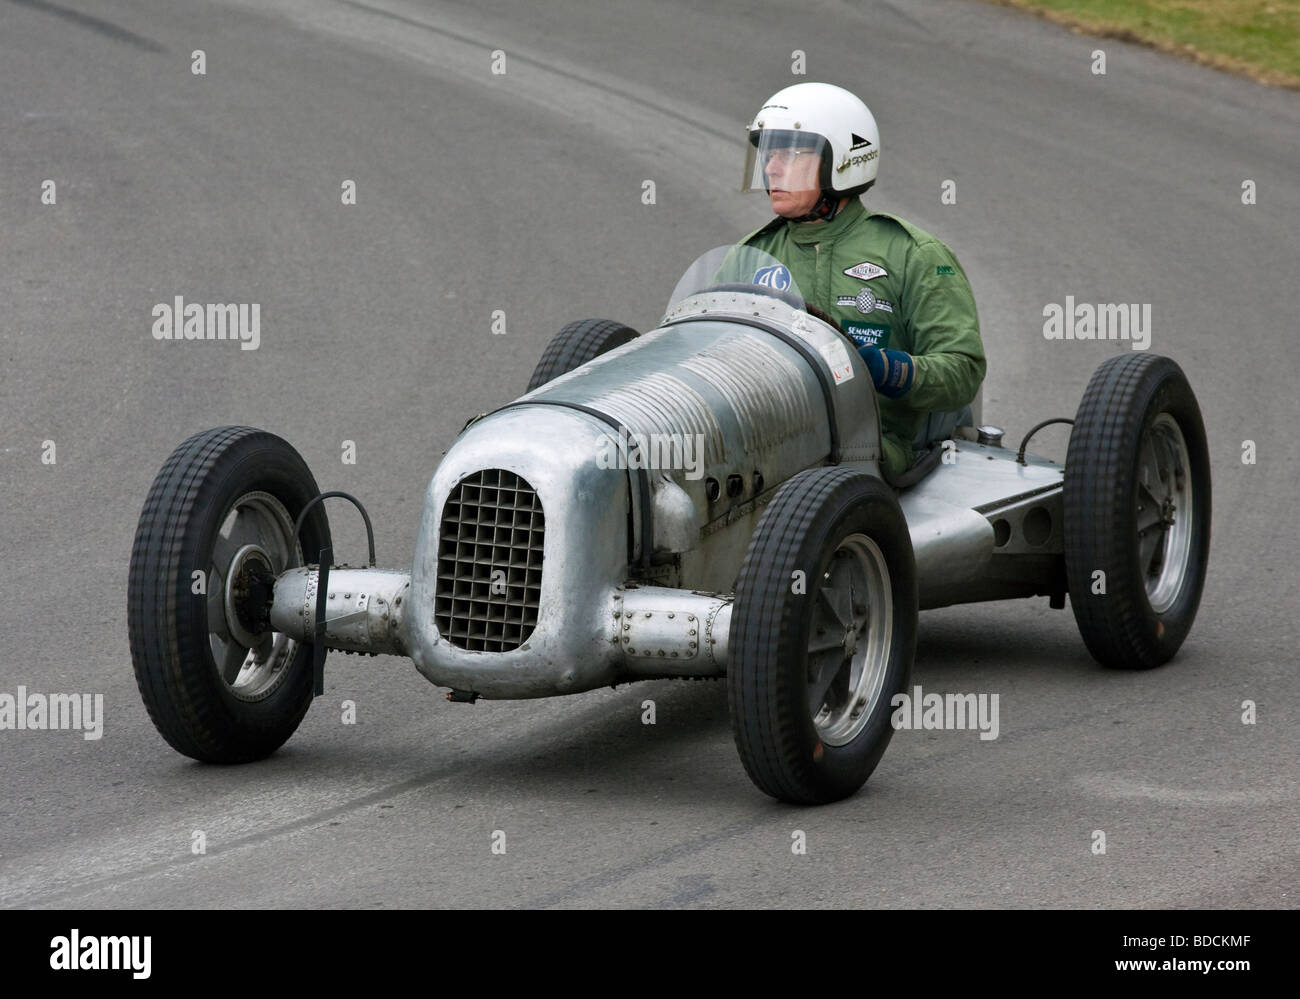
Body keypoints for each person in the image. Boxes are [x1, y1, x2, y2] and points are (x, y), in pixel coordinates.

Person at [739, 82, 986, 478]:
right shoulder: (748, 257)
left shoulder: (913, 254)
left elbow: (962, 373)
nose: (770, 166)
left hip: (870, 448)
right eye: (769, 151)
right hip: (758, 441)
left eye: (791, 152)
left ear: (841, 160)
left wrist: (887, 369)